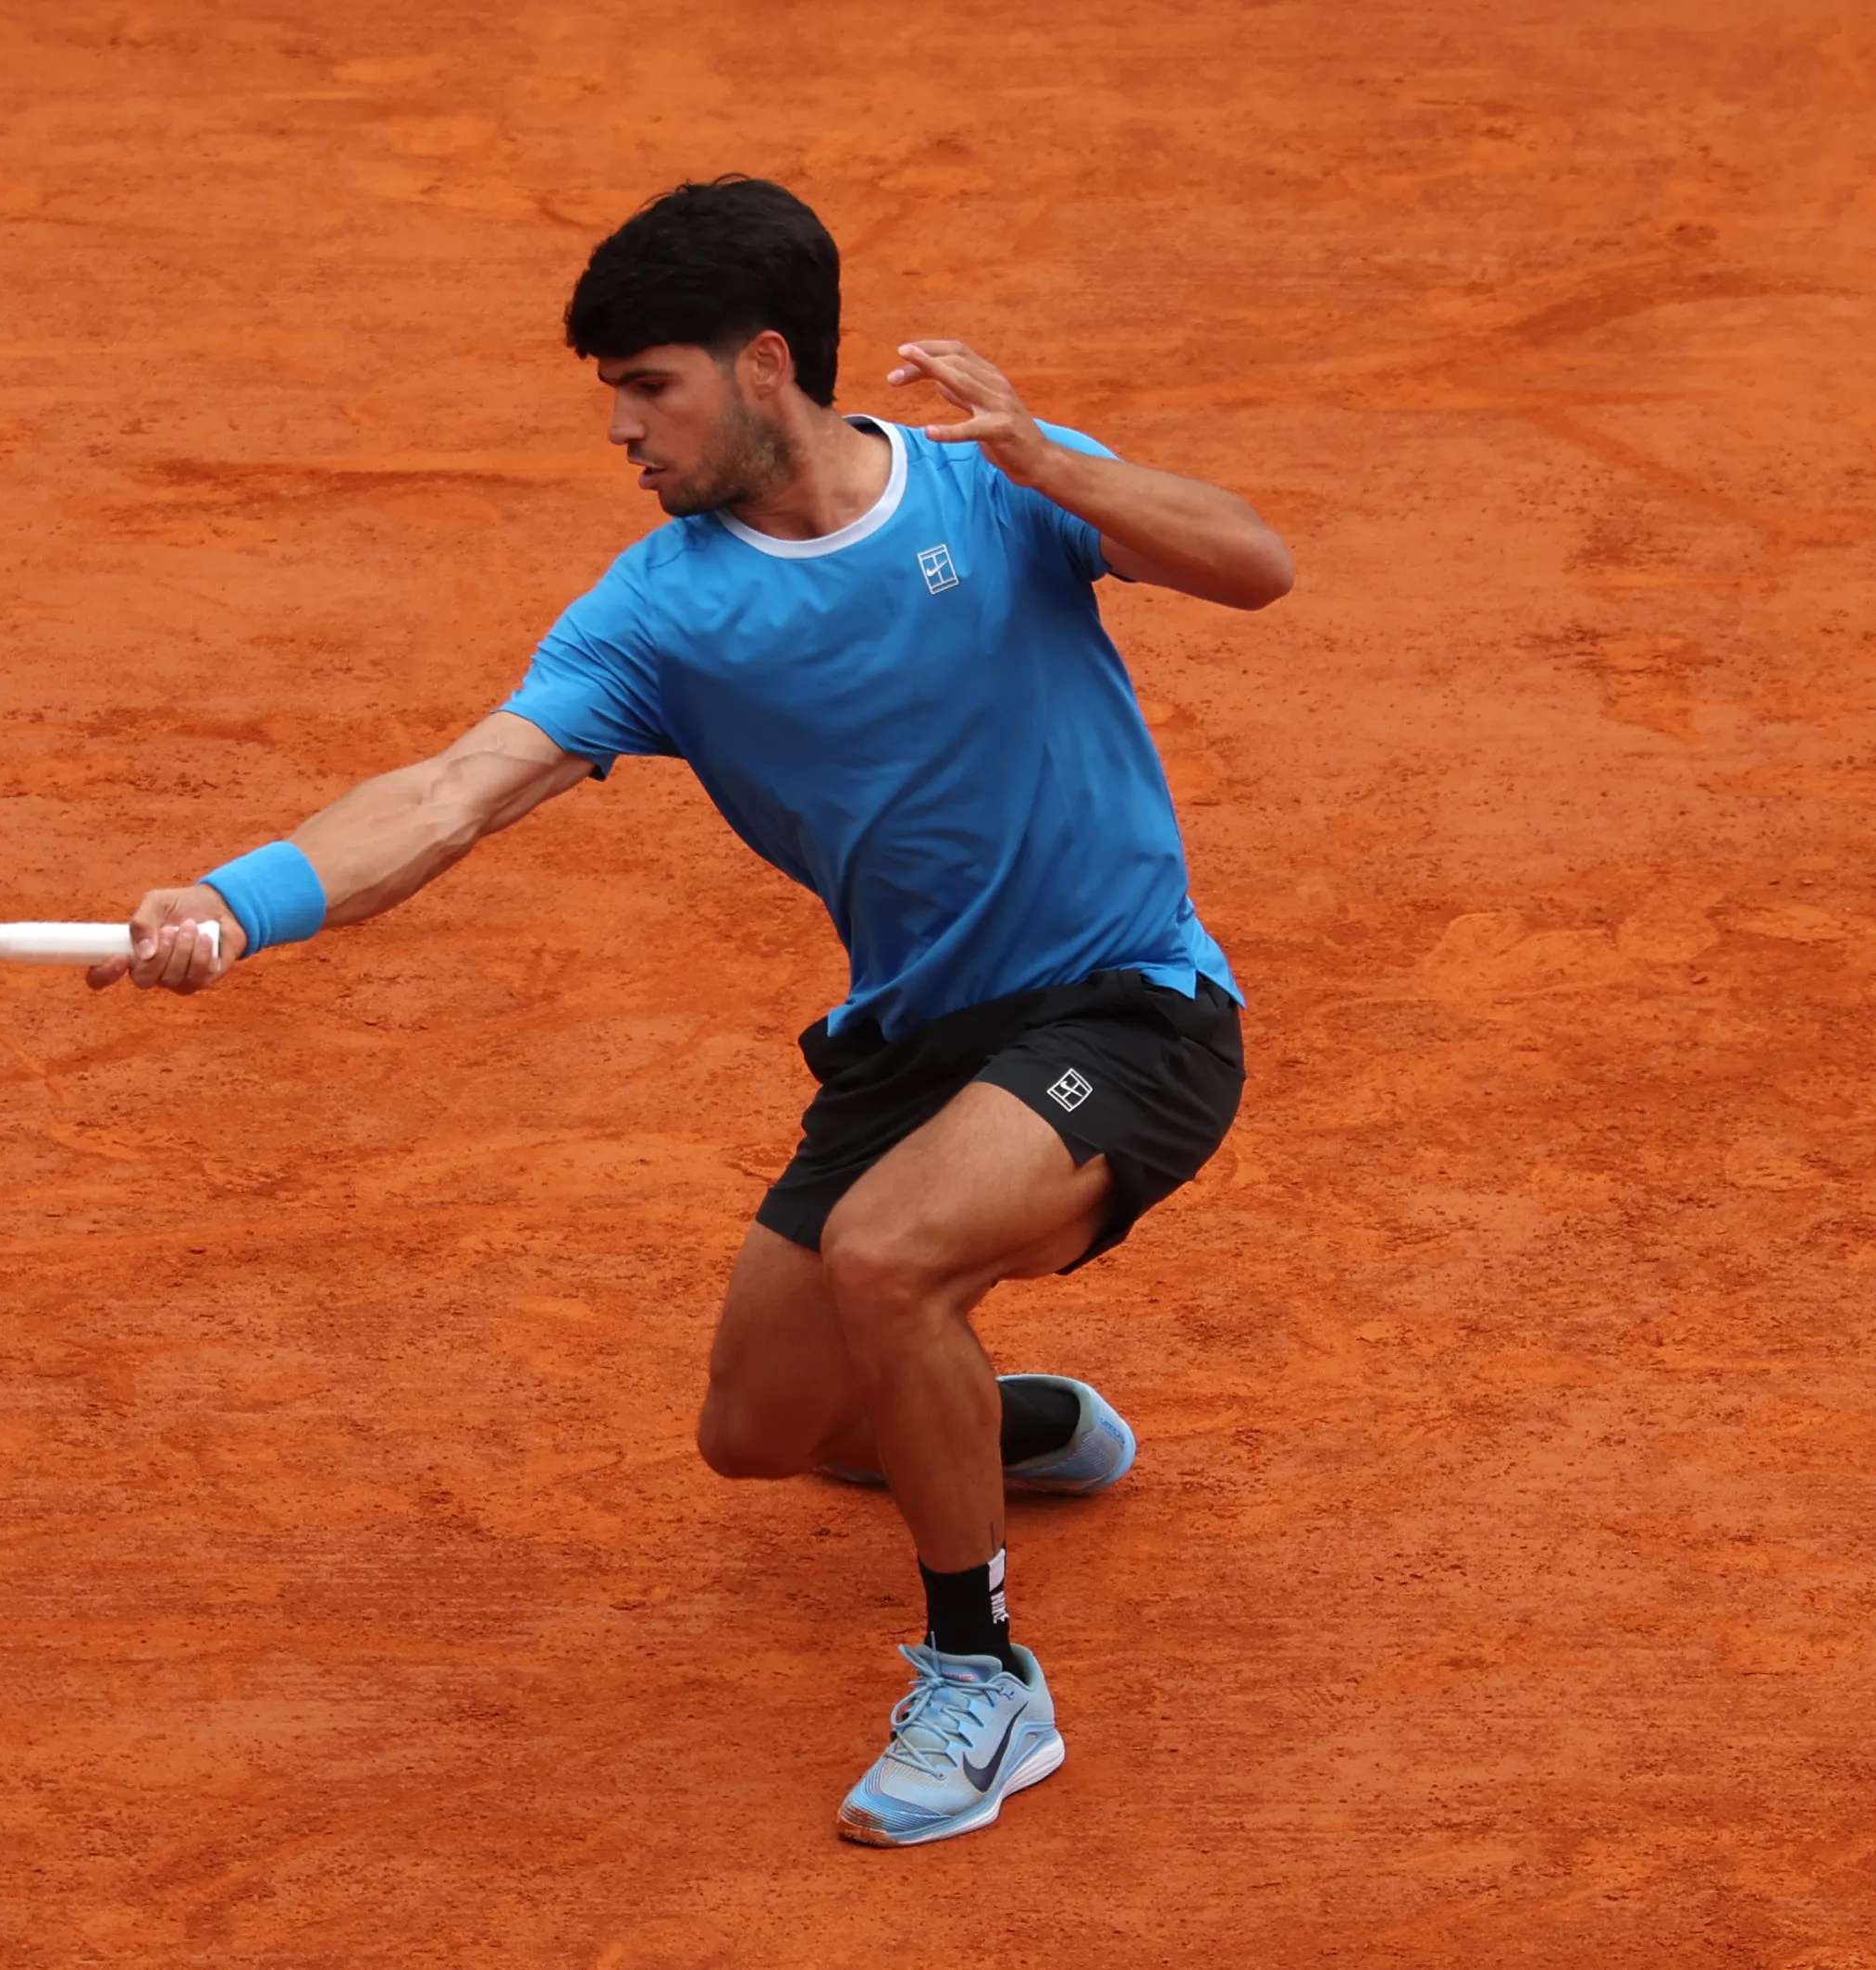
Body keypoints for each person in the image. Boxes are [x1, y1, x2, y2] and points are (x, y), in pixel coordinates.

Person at [89, 176, 1290, 1846]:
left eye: (647, 386)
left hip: (1125, 1003)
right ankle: (989, 1419)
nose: (622, 431)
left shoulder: (992, 490)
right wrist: (233, 899)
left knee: (887, 1254)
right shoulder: (659, 612)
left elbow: (1254, 565)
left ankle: (982, 1677)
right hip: (917, 1038)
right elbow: (451, 791)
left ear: (765, 365)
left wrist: (1038, 456)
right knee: (759, 1433)